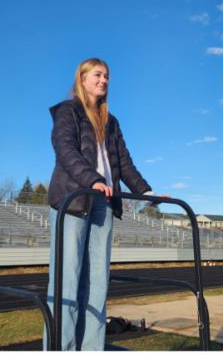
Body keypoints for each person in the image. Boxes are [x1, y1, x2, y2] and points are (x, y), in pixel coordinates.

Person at [43, 58, 167, 351]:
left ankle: (91, 350)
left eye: (107, 76)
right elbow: (65, 151)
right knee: (67, 281)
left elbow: (124, 163)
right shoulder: (67, 111)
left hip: (104, 203)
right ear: (82, 79)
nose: (104, 80)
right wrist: (93, 179)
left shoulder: (111, 122)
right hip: (73, 201)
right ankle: (60, 350)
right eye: (98, 75)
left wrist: (146, 192)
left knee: (98, 284)